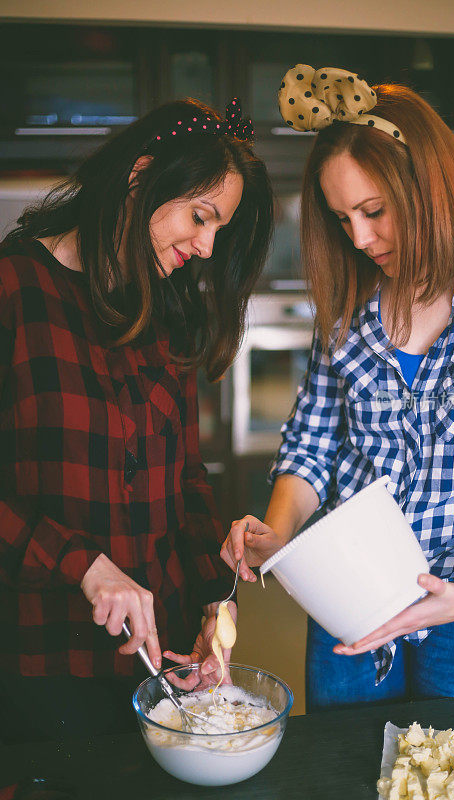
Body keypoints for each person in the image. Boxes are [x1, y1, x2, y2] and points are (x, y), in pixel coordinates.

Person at [221, 64, 454, 712]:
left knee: (453, 773)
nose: (359, 239)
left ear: (426, 185)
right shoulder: (348, 298)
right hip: (349, 594)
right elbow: (310, 444)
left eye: (373, 211)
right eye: (341, 219)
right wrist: (277, 534)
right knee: (344, 771)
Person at [0, 97, 273, 741]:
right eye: (200, 217)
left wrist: (214, 595)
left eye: (220, 231)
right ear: (141, 176)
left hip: (162, 663)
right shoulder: (15, 291)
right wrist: (82, 565)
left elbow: (185, 477)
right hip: (44, 661)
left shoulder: (168, 310)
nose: (207, 247)